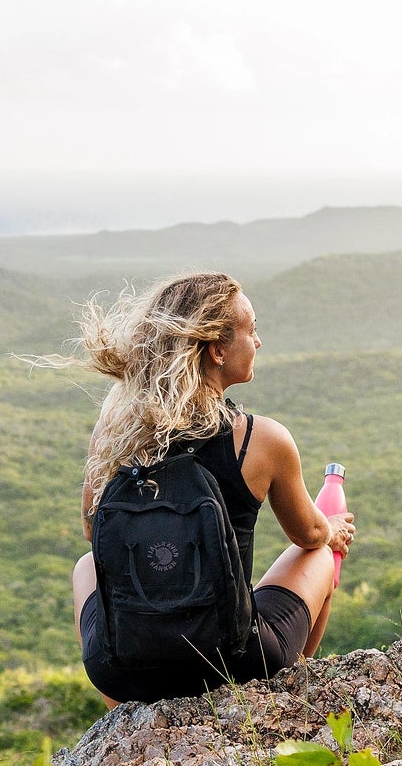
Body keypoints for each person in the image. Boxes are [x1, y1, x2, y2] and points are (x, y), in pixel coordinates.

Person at [69, 272, 355, 705]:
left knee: (86, 565)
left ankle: (130, 715)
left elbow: (94, 530)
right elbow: (308, 534)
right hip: (235, 661)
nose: (258, 342)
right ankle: (282, 697)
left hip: (125, 672)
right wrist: (332, 529)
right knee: (319, 553)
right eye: (252, 331)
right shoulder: (263, 440)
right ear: (218, 350)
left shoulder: (115, 430)